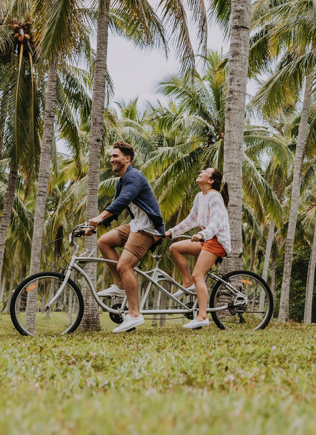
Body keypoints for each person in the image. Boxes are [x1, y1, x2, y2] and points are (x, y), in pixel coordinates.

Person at [84, 141, 165, 333]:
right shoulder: (122, 180)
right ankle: (120, 285)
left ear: (127, 159)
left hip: (149, 228)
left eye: (115, 156)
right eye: (111, 156)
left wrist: (99, 216)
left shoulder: (134, 176)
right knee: (104, 242)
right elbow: (115, 207)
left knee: (124, 265)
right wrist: (96, 226)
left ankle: (135, 315)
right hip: (136, 224)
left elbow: (123, 200)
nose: (111, 159)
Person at [165, 167, 231, 330]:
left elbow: (216, 222)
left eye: (206, 171)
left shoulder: (215, 196)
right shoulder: (199, 196)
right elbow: (191, 220)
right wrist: (171, 232)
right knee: (175, 248)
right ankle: (188, 283)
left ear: (210, 181)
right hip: (206, 239)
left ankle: (202, 317)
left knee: (198, 275)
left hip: (216, 240)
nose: (200, 170)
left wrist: (202, 234)